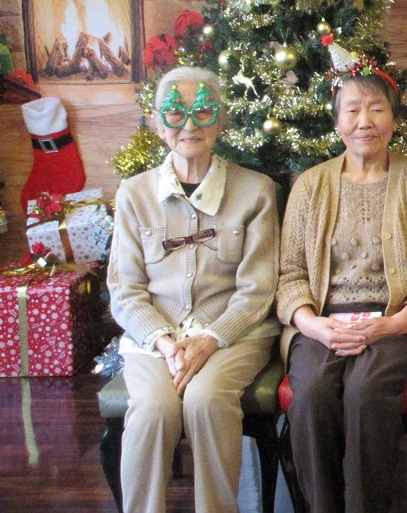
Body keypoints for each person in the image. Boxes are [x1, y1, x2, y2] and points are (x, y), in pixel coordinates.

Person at [277, 44, 407, 513]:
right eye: (352, 109)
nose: (364, 121)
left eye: (377, 109)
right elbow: (290, 273)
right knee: (312, 392)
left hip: (397, 320)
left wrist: (398, 321)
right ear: (337, 121)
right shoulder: (310, 185)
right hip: (323, 322)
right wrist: (311, 324)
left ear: (394, 120)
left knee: (365, 390)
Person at [107, 66, 280, 513]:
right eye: (174, 112)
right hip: (156, 338)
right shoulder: (133, 194)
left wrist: (209, 339)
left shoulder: (255, 191)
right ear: (157, 123)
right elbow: (124, 288)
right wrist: (166, 344)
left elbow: (258, 288)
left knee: (206, 399)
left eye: (203, 111)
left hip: (234, 334)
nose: (188, 124)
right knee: (152, 410)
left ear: (221, 122)